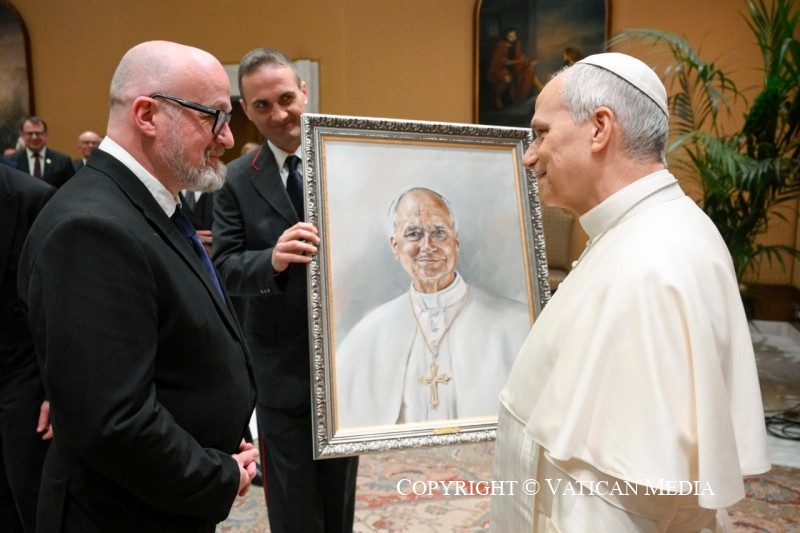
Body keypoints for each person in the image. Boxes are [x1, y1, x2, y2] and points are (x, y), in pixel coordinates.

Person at [491, 52, 770, 531]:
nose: (530, 155)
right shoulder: (643, 231)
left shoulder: (649, 266)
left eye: (541, 133)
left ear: (600, 128)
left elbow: (621, 505)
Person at [17, 40, 259, 532]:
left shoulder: (145, 205)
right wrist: (215, 476)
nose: (229, 138)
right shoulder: (91, 228)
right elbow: (113, 421)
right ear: (147, 114)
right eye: (214, 117)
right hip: (120, 514)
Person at [213, 47, 358, 533]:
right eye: (261, 106)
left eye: (285, 98)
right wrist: (270, 261)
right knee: (292, 501)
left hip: (346, 363)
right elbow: (225, 266)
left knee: (339, 497)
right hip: (278, 366)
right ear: (245, 110)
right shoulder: (234, 178)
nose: (277, 115)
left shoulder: (348, 161)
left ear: (305, 93)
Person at [336, 187, 530, 428]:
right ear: (395, 246)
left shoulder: (516, 326)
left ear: (455, 242)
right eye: (414, 233)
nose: (427, 246)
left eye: (439, 232)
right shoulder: (366, 336)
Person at [0, 164, 54, 532]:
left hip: (22, 378)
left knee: (27, 497)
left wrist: (56, 390)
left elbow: (54, 309)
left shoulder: (33, 197)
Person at [4, 117, 75, 188]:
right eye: (30, 133)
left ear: (46, 135)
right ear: (22, 135)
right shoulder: (10, 162)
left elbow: (72, 189)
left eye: (38, 133)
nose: (34, 137)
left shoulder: (62, 161)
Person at [487, 28, 542, 109]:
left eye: (514, 35)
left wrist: (528, 62)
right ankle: (497, 97)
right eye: (510, 36)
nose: (512, 37)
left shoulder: (516, 45)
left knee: (529, 70)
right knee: (507, 79)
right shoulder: (501, 45)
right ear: (506, 36)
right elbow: (503, 62)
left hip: (515, 68)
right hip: (501, 69)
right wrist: (519, 61)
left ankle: (540, 88)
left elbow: (520, 58)